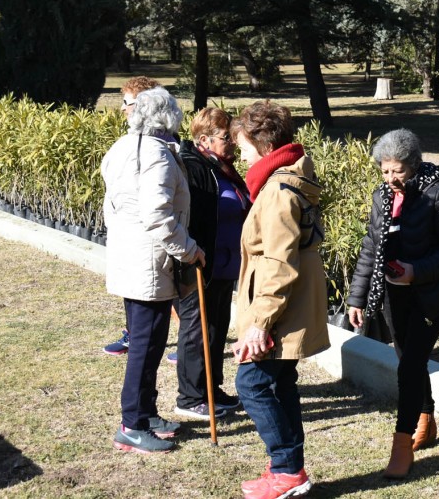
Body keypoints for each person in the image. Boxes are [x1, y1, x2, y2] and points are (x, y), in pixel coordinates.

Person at [347, 129, 439, 479]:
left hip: (431, 295)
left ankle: (401, 445)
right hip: (394, 294)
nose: (391, 178)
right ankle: (426, 419)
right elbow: (371, 246)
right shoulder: (381, 196)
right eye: (385, 170)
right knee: (409, 361)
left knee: (410, 366)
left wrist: (416, 272)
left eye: (398, 170)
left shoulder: (438, 193)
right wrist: (357, 297)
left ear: (414, 164)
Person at [233, 101, 329, 499]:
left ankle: (288, 470)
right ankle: (287, 467)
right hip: (289, 303)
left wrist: (260, 323)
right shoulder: (289, 178)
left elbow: (278, 262)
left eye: (244, 148)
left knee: (252, 383)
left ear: (264, 145)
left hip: (278, 308)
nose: (240, 157)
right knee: (278, 383)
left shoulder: (276, 191)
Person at [102, 87, 205, 454]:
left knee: (150, 343)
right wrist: (189, 250)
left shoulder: (122, 146)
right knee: (145, 347)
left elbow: (114, 204)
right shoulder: (156, 154)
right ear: (168, 117)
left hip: (133, 257)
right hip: (148, 262)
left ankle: (146, 414)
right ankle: (132, 424)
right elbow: (157, 215)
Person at [173, 108, 249, 421]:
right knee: (197, 329)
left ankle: (211, 388)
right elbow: (190, 216)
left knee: (216, 328)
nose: (232, 142)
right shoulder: (193, 167)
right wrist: (193, 251)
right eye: (226, 137)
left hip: (224, 266)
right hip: (202, 263)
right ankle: (190, 397)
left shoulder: (222, 167)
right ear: (204, 139)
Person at [103, 75, 161, 356]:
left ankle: (187, 346)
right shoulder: (126, 144)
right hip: (129, 235)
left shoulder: (160, 145)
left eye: (127, 102)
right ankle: (132, 332)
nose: (123, 108)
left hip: (154, 240)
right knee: (133, 291)